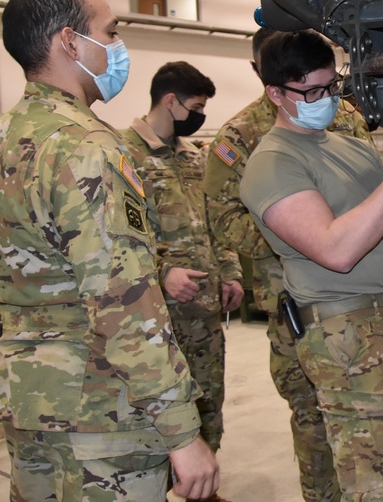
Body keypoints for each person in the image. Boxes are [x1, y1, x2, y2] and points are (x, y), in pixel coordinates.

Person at [0, 0, 219, 500]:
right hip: (101, 413)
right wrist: (182, 429)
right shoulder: (87, 146)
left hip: (28, 400)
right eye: (112, 32)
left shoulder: (11, 136)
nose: (119, 47)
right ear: (70, 42)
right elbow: (124, 300)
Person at [240, 30, 383, 502]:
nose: (325, 100)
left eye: (330, 87)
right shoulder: (272, 163)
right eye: (311, 92)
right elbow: (335, 251)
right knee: (370, 482)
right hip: (344, 335)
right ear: (275, 93)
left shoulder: (354, 148)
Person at [205, 27, 377, 502]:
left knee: (377, 402)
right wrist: (297, 238)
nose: (319, 95)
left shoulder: (343, 114)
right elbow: (222, 218)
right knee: (313, 411)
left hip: (364, 291)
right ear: (265, 76)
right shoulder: (239, 137)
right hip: (294, 298)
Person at [120, 61, 244, 501]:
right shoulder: (122, 154)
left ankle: (202, 493)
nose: (199, 115)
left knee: (208, 403)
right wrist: (161, 273)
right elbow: (113, 236)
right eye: (194, 106)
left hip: (204, 313)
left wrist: (230, 271)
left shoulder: (195, 156)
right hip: (153, 319)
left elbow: (216, 220)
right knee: (157, 413)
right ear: (169, 101)